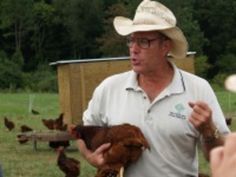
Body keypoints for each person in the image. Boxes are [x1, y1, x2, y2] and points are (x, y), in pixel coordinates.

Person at [76, 0, 230, 176]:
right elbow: (82, 133)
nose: (133, 49)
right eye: (131, 40)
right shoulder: (109, 88)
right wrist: (90, 157)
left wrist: (208, 130)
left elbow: (220, 156)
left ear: (165, 46)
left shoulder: (198, 89)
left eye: (143, 42)